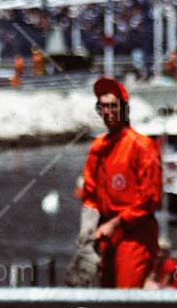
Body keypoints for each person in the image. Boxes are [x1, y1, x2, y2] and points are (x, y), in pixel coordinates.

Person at [67, 77, 163, 288]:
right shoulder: (98, 147)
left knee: (126, 295)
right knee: (106, 294)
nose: (108, 111)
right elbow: (90, 194)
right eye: (103, 106)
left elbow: (149, 200)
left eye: (113, 105)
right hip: (106, 234)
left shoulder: (142, 146)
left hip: (135, 235)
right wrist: (88, 229)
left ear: (123, 109)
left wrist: (115, 223)